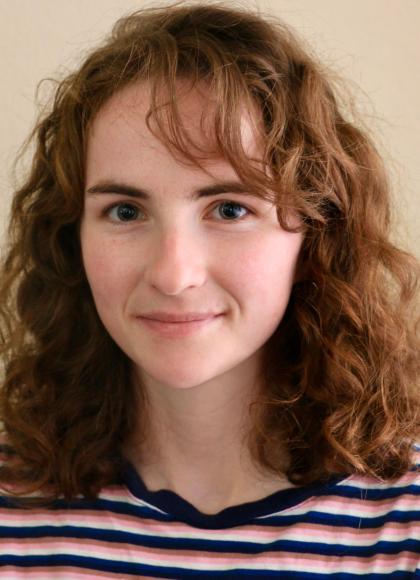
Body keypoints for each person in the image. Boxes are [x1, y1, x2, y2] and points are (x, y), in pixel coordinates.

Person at [0, 2, 418, 577]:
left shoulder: (403, 523)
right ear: (72, 239)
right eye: (125, 211)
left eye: (229, 209)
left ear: (315, 237)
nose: (174, 275)